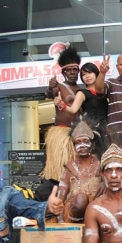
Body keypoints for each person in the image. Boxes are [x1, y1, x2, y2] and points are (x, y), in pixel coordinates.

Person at [41, 45, 82, 181]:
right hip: (62, 135)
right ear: (63, 73)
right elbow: (51, 93)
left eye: (74, 70)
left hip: (79, 134)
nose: (72, 73)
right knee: (61, 172)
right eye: (68, 70)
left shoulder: (82, 90)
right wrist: (50, 87)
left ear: (78, 71)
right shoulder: (59, 87)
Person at [56, 120, 102, 223]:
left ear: (93, 145)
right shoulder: (69, 168)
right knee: (81, 199)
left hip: (97, 212)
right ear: (74, 147)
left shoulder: (101, 165)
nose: (82, 146)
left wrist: (104, 183)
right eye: (78, 142)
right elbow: (61, 195)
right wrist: (60, 219)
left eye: (86, 141)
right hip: (75, 214)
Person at [56, 62, 108, 129]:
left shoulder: (104, 90)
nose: (87, 76)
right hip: (92, 130)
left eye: (90, 73)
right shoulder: (82, 93)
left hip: (107, 129)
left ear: (96, 74)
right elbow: (73, 109)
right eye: (84, 74)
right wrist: (62, 105)